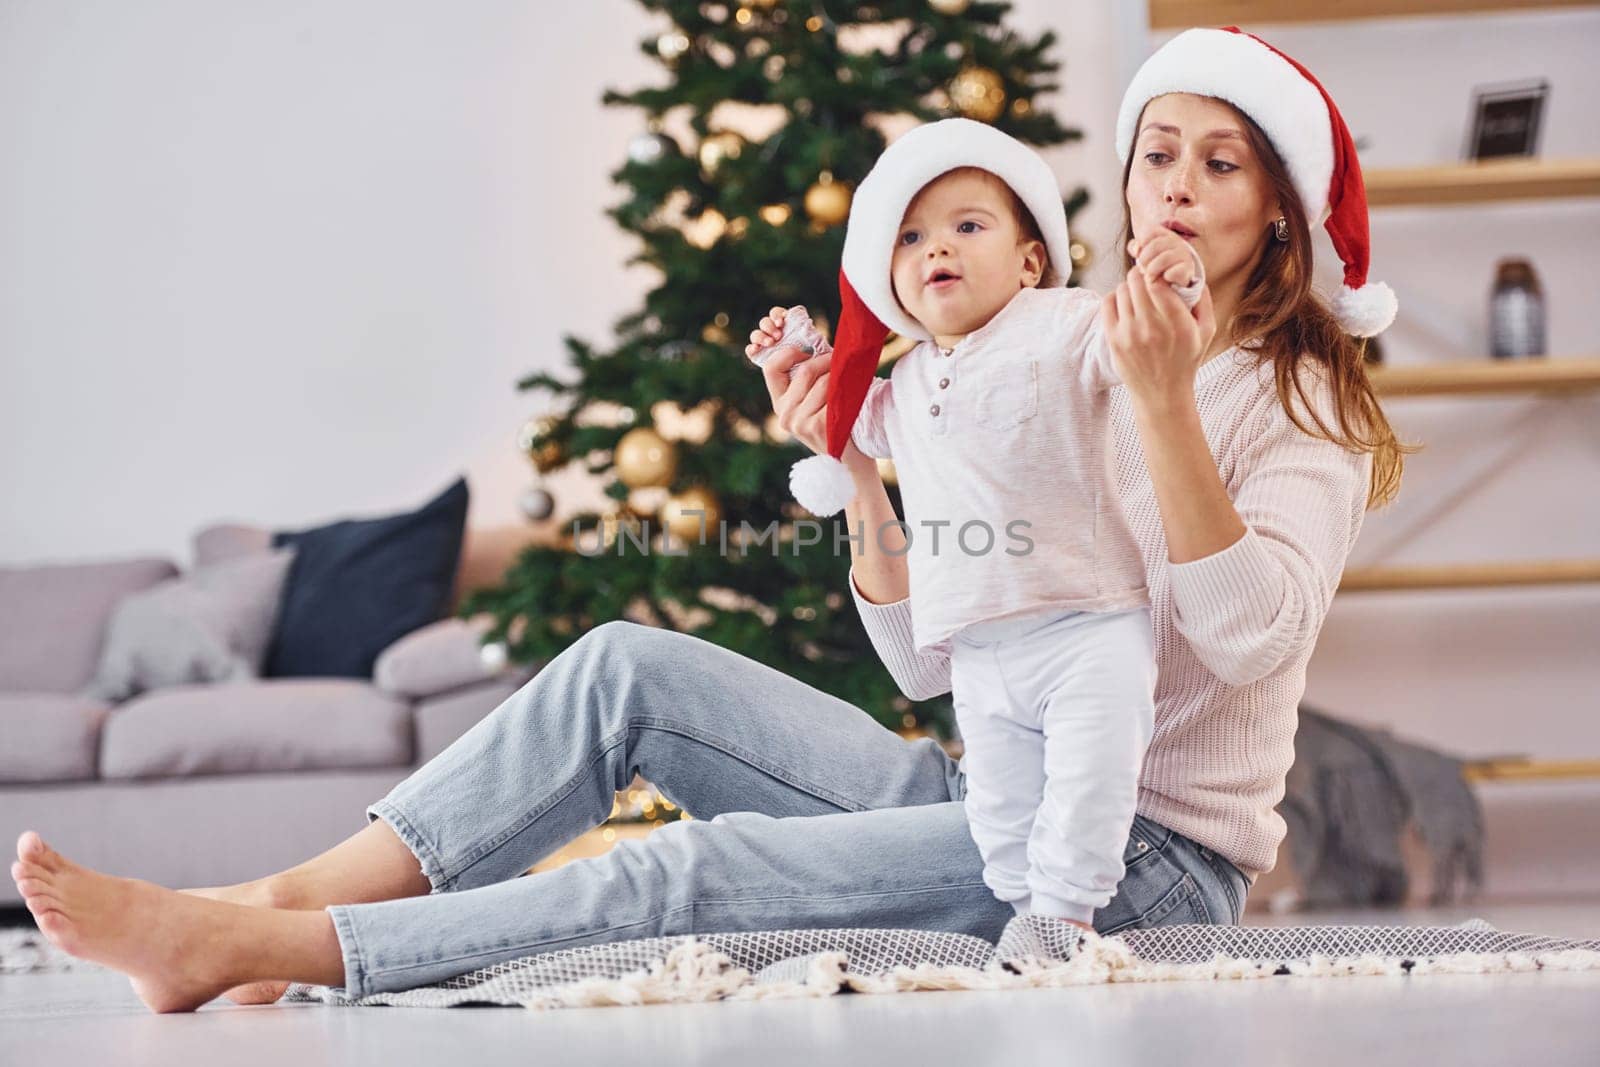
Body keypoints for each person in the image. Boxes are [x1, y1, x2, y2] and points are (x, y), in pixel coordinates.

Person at [10, 26, 1406, 1014]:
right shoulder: (1057, 346)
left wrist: (1167, 407)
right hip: (984, 789)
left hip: (1140, 863)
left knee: (692, 865)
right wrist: (861, 470)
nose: (1177, 179)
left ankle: (301, 945)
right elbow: (930, 650)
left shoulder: (1296, 409)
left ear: (1279, 216)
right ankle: (277, 894)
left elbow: (1245, 641)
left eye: (1223, 164)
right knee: (627, 664)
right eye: (1160, 149)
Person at [744, 118, 1207, 931]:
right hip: (981, 651)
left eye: (968, 226)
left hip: (1087, 624)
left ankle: (1065, 920)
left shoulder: (1065, 324)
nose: (937, 250)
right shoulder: (911, 378)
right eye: (912, 237)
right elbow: (847, 422)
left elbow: (1142, 343)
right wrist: (805, 354)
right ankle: (1027, 921)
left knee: (1089, 789)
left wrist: (1177, 285)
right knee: (1001, 817)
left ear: (1030, 260)